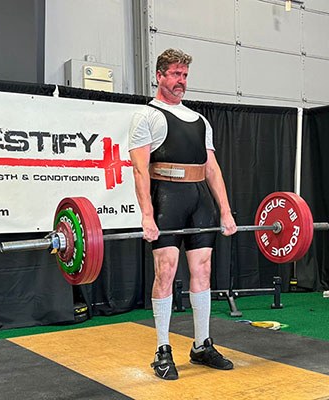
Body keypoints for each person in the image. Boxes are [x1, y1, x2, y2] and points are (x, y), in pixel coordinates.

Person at [128, 48, 237, 380]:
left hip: (199, 200)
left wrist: (226, 211)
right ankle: (163, 349)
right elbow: (139, 170)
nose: (181, 81)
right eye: (175, 74)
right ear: (160, 75)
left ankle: (201, 344)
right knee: (166, 272)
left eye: (185, 75)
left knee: (201, 271)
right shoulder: (146, 116)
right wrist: (147, 215)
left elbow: (212, 168)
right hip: (167, 199)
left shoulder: (199, 120)